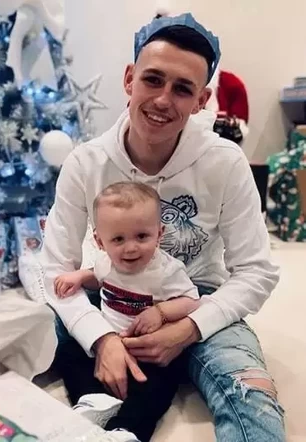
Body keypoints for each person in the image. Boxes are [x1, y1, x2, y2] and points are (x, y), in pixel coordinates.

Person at [41, 12, 284, 442]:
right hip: (112, 290)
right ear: (129, 79)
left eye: (182, 89)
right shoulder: (85, 162)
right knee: (46, 339)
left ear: (202, 100)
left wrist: (186, 330)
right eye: (153, 80)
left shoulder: (226, 163)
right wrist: (102, 339)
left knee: (254, 398)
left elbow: (256, 271)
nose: (163, 100)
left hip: (198, 299)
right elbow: (55, 269)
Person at [53, 182, 199, 441]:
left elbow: (191, 301)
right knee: (69, 350)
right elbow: (98, 278)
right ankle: (93, 400)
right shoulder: (105, 262)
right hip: (110, 343)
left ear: (159, 233)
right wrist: (80, 277)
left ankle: (125, 429)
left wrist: (161, 313)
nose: (131, 247)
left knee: (158, 385)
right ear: (100, 241)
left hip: (149, 350)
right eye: (118, 239)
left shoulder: (166, 270)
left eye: (141, 236)